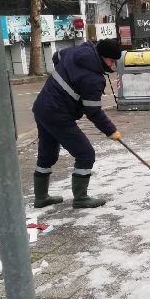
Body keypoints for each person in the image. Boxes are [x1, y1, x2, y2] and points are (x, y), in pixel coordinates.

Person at [31, 39, 122, 209]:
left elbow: (57, 57)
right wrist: (111, 131)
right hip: (58, 114)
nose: (113, 64)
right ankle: (81, 198)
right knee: (85, 154)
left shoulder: (78, 50)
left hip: (42, 108)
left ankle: (41, 197)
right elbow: (93, 111)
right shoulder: (92, 78)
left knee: (47, 155)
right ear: (102, 57)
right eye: (111, 61)